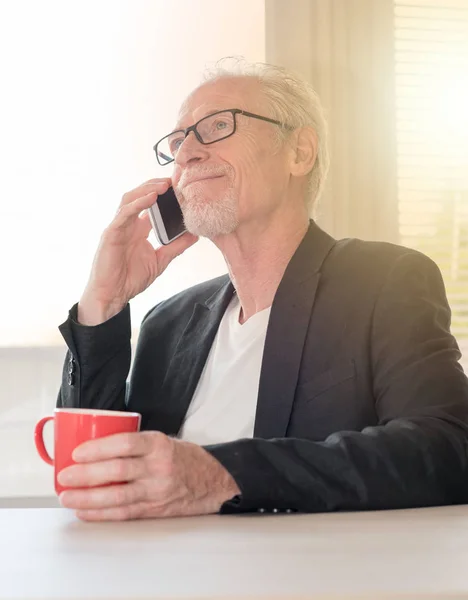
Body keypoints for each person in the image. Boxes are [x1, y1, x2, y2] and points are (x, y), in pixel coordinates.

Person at [56, 59, 468, 522]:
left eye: (216, 125)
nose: (186, 152)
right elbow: (90, 473)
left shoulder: (384, 281)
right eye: (177, 141)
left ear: (299, 152)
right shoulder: (168, 324)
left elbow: (447, 448)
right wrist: (104, 301)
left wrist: (220, 475)